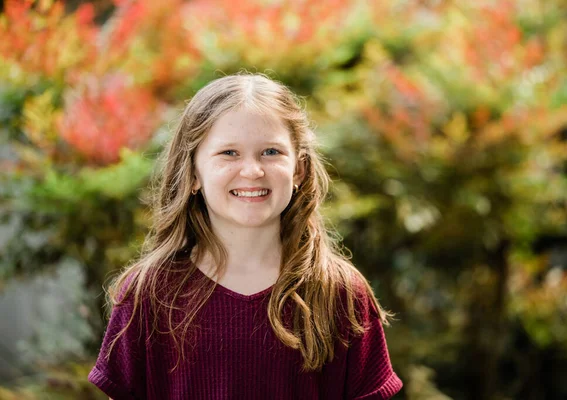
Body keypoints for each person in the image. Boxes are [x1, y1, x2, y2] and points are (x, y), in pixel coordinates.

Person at [88, 73, 403, 399]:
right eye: (229, 153)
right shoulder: (147, 295)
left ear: (300, 170)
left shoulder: (340, 293)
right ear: (193, 174)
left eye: (270, 152)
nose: (252, 171)